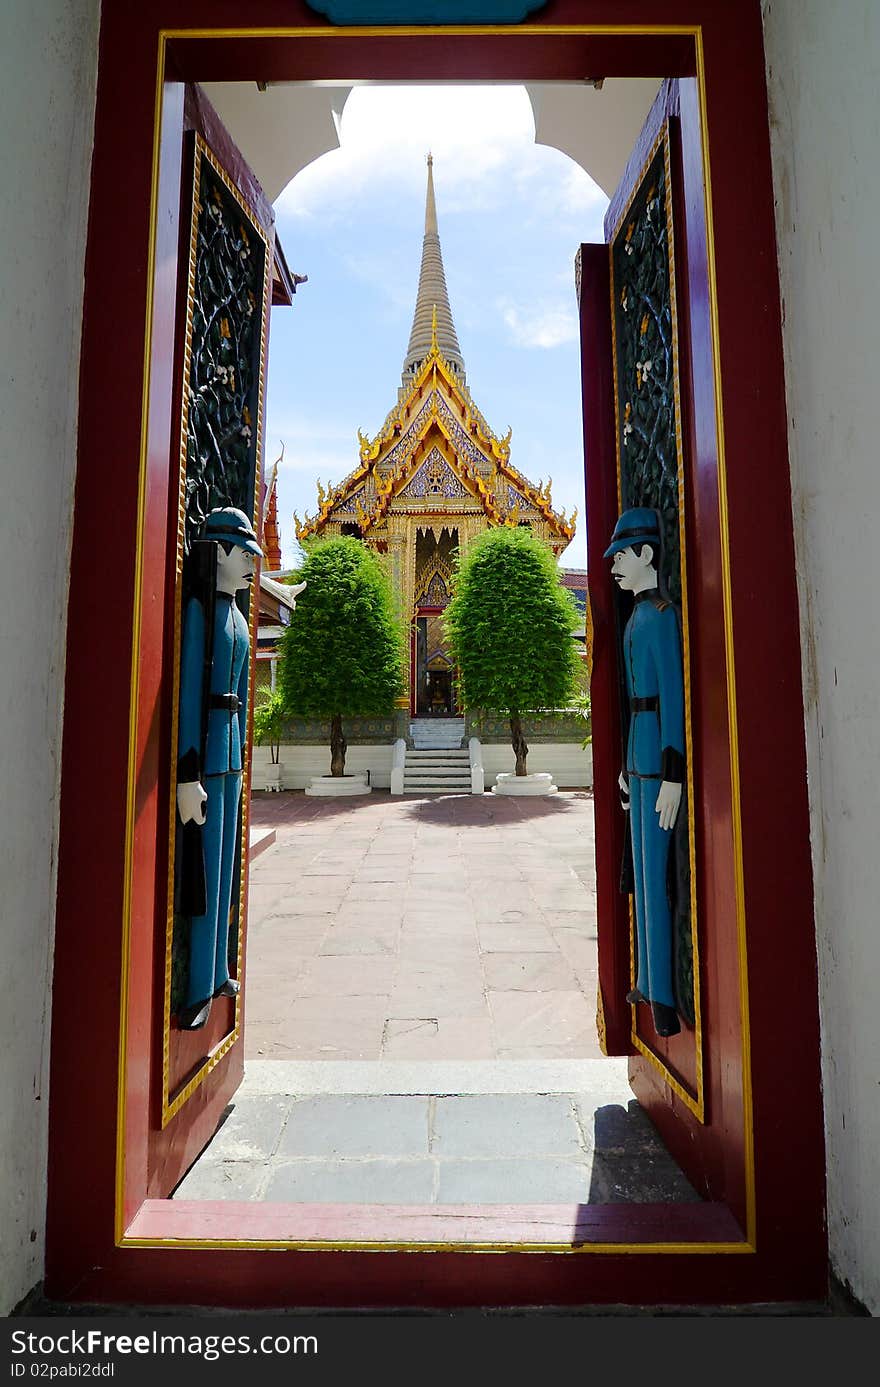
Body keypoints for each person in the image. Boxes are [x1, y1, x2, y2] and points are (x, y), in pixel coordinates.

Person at [176, 506, 262, 1031]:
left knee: (229, 866)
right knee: (204, 872)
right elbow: (188, 698)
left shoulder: (238, 619)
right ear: (221, 553)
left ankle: (219, 970)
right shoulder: (201, 613)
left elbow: (244, 697)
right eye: (245, 555)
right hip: (205, 756)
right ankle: (195, 987)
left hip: (230, 757)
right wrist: (187, 776)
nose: (253, 566)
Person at [604, 506, 685, 1037]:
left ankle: (662, 995)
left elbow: (672, 700)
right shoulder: (635, 618)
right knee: (636, 876)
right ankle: (643, 977)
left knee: (655, 881)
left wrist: (673, 775)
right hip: (638, 761)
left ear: (646, 555)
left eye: (620, 556)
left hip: (658, 763)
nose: (612, 566)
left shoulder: (660, 617)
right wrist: (625, 769)